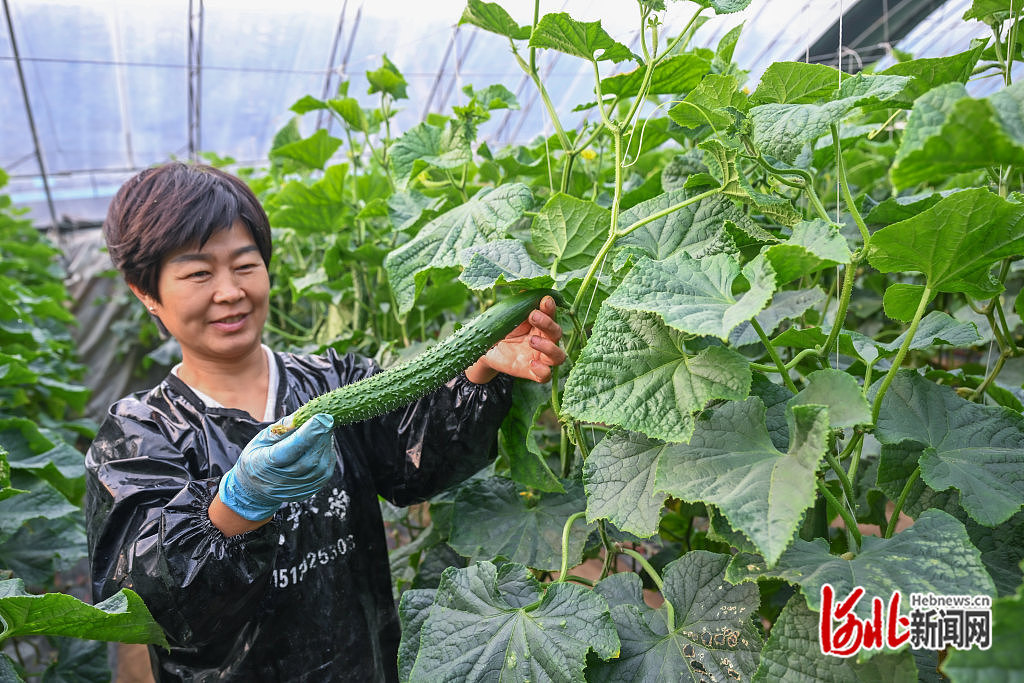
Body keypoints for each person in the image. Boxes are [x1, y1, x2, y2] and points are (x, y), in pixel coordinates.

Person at [84, 161, 566, 681]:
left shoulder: (336, 378)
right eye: (199, 273)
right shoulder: (137, 437)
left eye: (245, 265)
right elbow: (147, 607)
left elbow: (417, 461)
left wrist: (478, 367)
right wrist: (237, 503)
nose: (230, 292)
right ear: (146, 291)